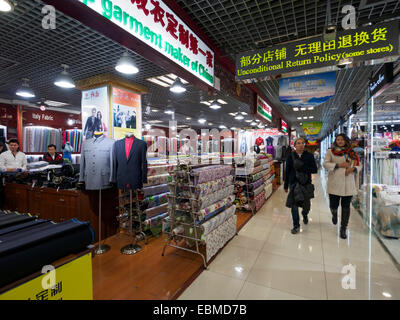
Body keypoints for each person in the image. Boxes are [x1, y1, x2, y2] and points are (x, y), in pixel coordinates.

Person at [323, 134, 362, 239]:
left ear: (346, 141)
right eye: (338, 139)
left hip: (348, 183)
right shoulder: (331, 151)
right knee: (333, 205)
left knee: (346, 207)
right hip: (335, 182)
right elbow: (325, 164)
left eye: (342, 139)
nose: (340, 141)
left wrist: (353, 169)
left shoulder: (351, 152)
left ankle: (343, 228)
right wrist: (338, 165)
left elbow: (359, 165)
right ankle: (334, 214)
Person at [284, 137, 318, 234]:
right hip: (293, 183)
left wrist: (302, 167)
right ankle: (296, 225)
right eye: (298, 143)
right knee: (294, 205)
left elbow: (314, 169)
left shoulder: (309, 156)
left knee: (306, 205)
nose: (300, 145)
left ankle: (305, 214)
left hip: (306, 183)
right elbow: (287, 171)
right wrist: (286, 185)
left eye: (302, 143)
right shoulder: (290, 156)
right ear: (294, 145)